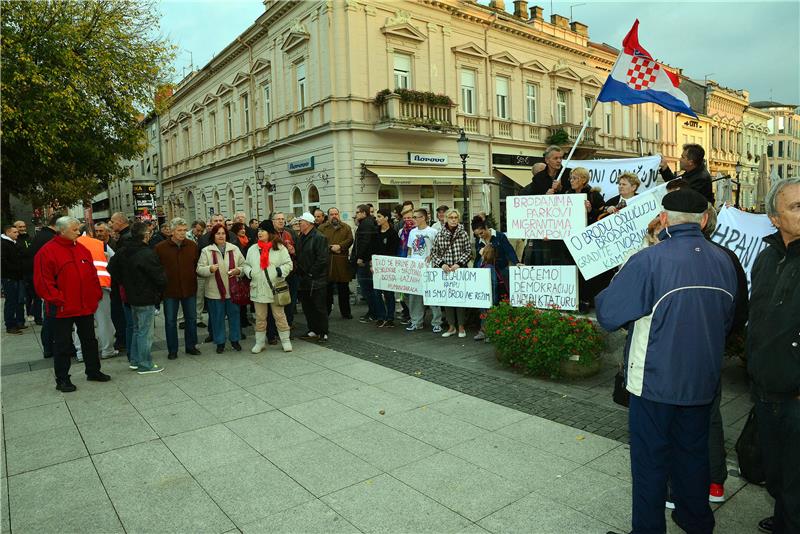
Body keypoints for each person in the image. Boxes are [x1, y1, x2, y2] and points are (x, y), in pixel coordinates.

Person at [596, 188, 738, 534]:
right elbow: (731, 319)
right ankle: (695, 520)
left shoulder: (648, 259)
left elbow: (608, 313)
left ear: (663, 220)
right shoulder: (725, 260)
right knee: (692, 456)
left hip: (654, 381)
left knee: (650, 462)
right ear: (704, 220)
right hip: (702, 380)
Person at [746, 177, 800, 534]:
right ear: (775, 219)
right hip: (766, 390)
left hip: (797, 395)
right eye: (796, 207)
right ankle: (783, 518)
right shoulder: (766, 259)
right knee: (776, 471)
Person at [33, 216, 111, 391]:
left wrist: (95, 295)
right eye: (75, 229)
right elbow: (43, 282)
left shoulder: (82, 249)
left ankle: (93, 370)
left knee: (89, 340)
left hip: (84, 306)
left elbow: (92, 275)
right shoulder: (47, 252)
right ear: (62, 231)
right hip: (62, 308)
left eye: (78, 229)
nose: (79, 232)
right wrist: (58, 299)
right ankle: (62, 379)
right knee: (62, 344)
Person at [107, 222, 167, 374]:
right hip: (145, 295)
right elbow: (160, 277)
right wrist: (159, 291)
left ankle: (135, 360)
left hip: (131, 295)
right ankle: (145, 363)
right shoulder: (146, 253)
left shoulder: (123, 250)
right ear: (145, 235)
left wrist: (124, 282)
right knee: (145, 332)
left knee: (136, 329)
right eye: (149, 232)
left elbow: (111, 268)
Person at [243, 220, 294, 353]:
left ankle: (285, 341)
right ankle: (259, 342)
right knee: (260, 317)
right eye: (258, 230)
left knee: (279, 316)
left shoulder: (279, 248)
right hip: (258, 288)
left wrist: (278, 271)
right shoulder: (253, 249)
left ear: (270, 233)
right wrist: (249, 272)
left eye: (263, 230)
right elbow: (246, 265)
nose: (260, 233)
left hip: (275, 288)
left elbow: (289, 264)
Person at [155, 217, 201, 360]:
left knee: (191, 319)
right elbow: (156, 268)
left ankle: (191, 346)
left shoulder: (192, 246)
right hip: (170, 290)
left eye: (184, 230)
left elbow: (196, 265)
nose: (182, 233)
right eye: (179, 230)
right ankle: (172, 349)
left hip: (189, 288)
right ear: (172, 232)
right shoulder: (160, 248)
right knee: (170, 321)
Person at [197, 223, 246, 353]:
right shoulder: (206, 251)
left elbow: (244, 265)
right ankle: (220, 342)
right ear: (213, 236)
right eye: (218, 233)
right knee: (217, 318)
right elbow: (199, 269)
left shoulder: (234, 249)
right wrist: (210, 269)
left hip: (233, 291)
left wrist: (238, 271)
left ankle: (235, 340)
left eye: (223, 233)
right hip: (214, 292)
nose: (221, 236)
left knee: (234, 316)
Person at [428, 209, 471, 338]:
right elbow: (434, 253)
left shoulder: (463, 233)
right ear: (446, 219)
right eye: (451, 217)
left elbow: (468, 251)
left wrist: (459, 263)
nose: (453, 220)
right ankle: (451, 326)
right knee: (447, 300)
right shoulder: (440, 234)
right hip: (445, 271)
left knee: (459, 299)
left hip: (459, 270)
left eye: (455, 217)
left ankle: (461, 326)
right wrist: (442, 264)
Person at [76, 225, 118, 359]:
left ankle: (81, 353)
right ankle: (107, 350)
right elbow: (115, 259)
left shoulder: (71, 244)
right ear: (90, 232)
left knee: (80, 322)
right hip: (100, 286)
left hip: (79, 288)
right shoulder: (100, 244)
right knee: (104, 320)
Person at [405, 208, 442, 332]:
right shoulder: (412, 232)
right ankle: (416, 321)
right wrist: (408, 262)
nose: (413, 219)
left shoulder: (433, 231)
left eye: (416, 217)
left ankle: (436, 321)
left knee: (432, 295)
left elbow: (438, 248)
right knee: (415, 296)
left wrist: (432, 256)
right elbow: (410, 249)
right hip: (415, 267)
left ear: (423, 218)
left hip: (429, 267)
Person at [295, 212, 330, 343]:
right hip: (304, 278)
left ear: (308, 224)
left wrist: (311, 273)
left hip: (316, 279)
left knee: (319, 306)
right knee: (307, 306)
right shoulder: (301, 237)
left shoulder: (319, 237)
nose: (299, 224)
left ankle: (323, 331)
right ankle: (313, 329)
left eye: (301, 222)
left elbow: (322, 259)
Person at [29, 213, 61, 357]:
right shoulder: (50, 239)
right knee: (51, 316)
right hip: (49, 284)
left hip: (43, 282)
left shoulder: (41, 235)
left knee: (49, 316)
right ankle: (50, 347)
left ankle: (49, 346)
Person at [318, 207, 354, 319]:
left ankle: (346, 313)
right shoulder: (322, 228)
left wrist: (340, 246)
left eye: (336, 214)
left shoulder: (346, 227)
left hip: (341, 262)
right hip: (328, 262)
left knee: (343, 290)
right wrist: (330, 248)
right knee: (327, 291)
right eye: (332, 214)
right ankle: (326, 312)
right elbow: (319, 242)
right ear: (328, 216)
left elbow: (350, 240)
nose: (334, 216)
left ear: (339, 215)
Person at [350, 204, 379, 322]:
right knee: (368, 289)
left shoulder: (366, 224)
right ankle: (373, 311)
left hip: (365, 262)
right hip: (367, 260)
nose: (356, 215)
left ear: (363, 213)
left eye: (357, 212)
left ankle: (373, 312)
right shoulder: (367, 223)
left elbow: (365, 243)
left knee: (367, 289)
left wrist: (360, 257)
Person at [372, 208, 400, 328]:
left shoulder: (393, 234)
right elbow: (372, 249)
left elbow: (394, 252)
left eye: (379, 216)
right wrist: (372, 264)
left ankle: (390, 317)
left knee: (389, 293)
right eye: (377, 217)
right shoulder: (376, 232)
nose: (377, 219)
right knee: (377, 293)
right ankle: (381, 316)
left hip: (388, 267)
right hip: (377, 267)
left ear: (386, 218)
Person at [1, 224, 27, 334]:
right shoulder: (4, 244)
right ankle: (10, 325)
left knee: (17, 301)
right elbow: (4, 262)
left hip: (16, 276)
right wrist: (16, 269)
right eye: (15, 232)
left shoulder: (14, 243)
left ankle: (16, 323)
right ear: (7, 233)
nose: (17, 234)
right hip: (9, 277)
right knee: (11, 301)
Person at [14, 220, 39, 325]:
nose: (23, 228)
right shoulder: (14, 241)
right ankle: (26, 316)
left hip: (33, 271)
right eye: (20, 227)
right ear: (15, 228)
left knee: (36, 295)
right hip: (21, 274)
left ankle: (37, 316)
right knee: (24, 297)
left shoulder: (31, 238)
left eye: (24, 226)